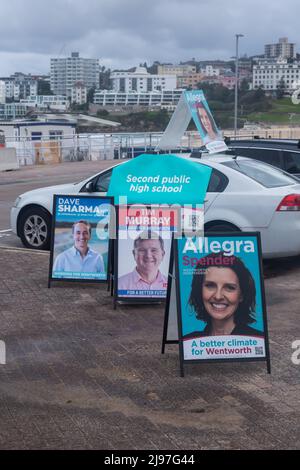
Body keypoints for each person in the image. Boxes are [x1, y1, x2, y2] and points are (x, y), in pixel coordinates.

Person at [187, 252, 263, 337]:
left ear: (241, 295)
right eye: (210, 285)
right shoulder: (190, 342)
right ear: (199, 290)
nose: (218, 296)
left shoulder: (256, 340)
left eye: (229, 287)